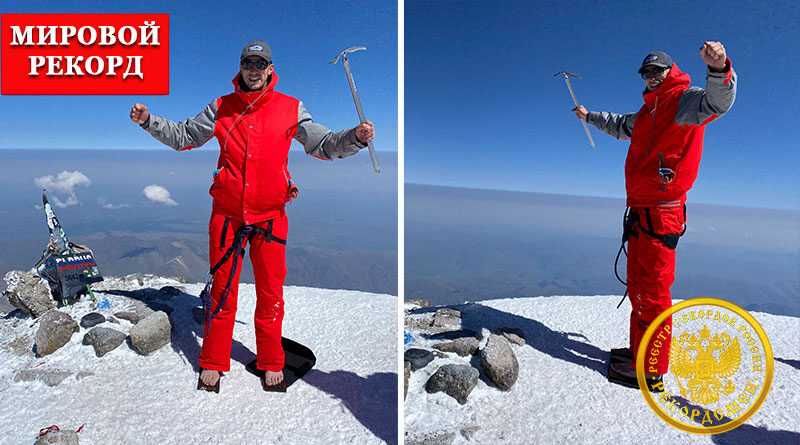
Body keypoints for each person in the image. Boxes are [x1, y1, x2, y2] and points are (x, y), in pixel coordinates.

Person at [129, 40, 375, 392]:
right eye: (249, 63)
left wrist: (355, 137)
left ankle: (272, 359)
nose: (254, 70)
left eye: (261, 64)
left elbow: (322, 145)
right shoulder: (221, 107)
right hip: (227, 215)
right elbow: (184, 136)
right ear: (241, 67)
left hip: (270, 216)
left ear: (270, 69)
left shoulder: (290, 108)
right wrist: (149, 121)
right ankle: (213, 360)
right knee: (222, 292)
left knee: (271, 293)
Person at [572, 42, 736, 390]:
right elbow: (619, 125)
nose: (651, 77)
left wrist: (720, 68)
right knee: (640, 289)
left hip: (662, 214)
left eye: (656, 71)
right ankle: (640, 353)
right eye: (646, 73)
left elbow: (718, 102)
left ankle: (650, 371)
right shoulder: (648, 114)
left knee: (654, 291)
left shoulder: (685, 101)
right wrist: (589, 117)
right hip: (642, 212)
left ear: (669, 71)